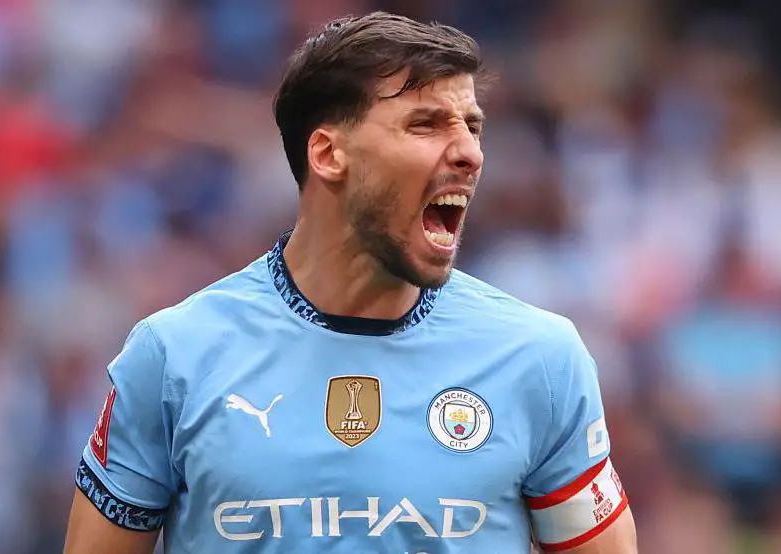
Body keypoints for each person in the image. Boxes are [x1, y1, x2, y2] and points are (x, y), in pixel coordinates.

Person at [63, 11, 637, 554]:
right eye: (426, 124)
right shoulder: (175, 356)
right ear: (329, 154)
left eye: (472, 126)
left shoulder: (540, 359)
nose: (470, 153)